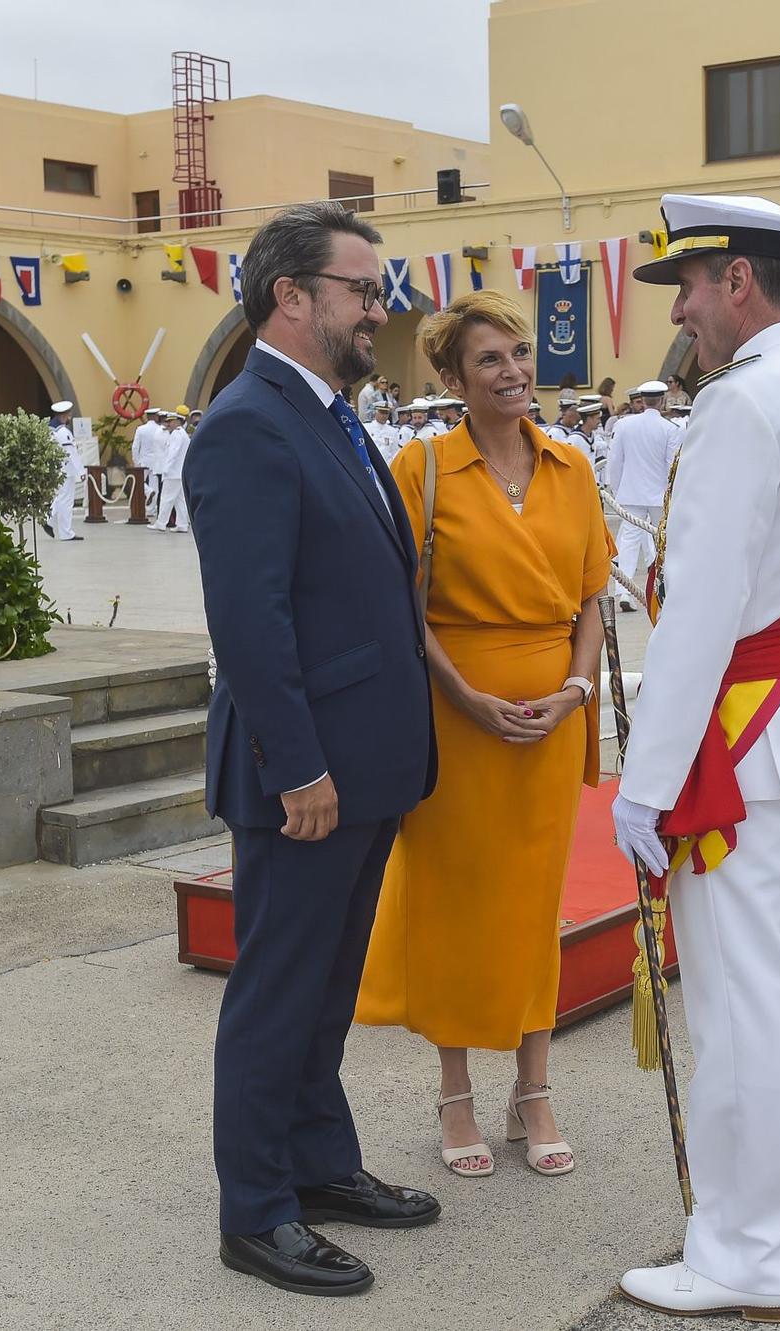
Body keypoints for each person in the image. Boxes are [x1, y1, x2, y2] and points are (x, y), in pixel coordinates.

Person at [613, 192, 780, 1322]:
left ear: (736, 280)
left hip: (732, 734)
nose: (678, 311)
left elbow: (702, 608)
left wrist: (645, 780)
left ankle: (743, 1251)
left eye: (686, 285)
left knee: (740, 1001)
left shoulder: (741, 406)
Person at [184, 201, 440, 1297]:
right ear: (291, 296)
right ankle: (256, 1208)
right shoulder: (247, 422)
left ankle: (319, 1160)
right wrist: (298, 766)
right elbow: (251, 622)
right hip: (306, 775)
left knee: (328, 984)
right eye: (361, 289)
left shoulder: (329, 414)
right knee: (278, 991)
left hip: (364, 762)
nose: (376, 308)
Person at [355, 289, 611, 1181]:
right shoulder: (422, 469)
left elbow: (590, 598)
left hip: (550, 722)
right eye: (490, 360)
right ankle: (455, 1089)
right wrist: (463, 695)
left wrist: (577, 690)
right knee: (456, 901)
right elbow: (402, 604)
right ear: (452, 378)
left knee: (535, 903)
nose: (513, 371)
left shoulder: (571, 466)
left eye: (519, 352)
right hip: (454, 721)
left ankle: (533, 1088)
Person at [603, 380, 679, 608]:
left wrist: (617, 489)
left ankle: (624, 592)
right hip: (659, 495)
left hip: (631, 492)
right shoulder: (669, 428)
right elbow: (670, 467)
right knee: (664, 543)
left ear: (642, 401)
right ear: (662, 400)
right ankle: (664, 589)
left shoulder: (624, 426)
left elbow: (614, 462)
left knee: (628, 541)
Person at [46, 401, 84, 541]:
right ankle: (66, 532)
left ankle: (47, 518)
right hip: (66, 470)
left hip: (57, 469)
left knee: (61, 497)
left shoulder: (51, 429)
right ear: (65, 415)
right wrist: (82, 472)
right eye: (69, 414)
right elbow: (71, 453)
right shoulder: (63, 432)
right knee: (66, 501)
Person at [150, 410, 191, 533]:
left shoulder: (176, 434)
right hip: (179, 473)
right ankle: (182, 524)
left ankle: (161, 523)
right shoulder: (183, 434)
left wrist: (166, 469)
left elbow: (173, 453)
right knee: (180, 500)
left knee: (166, 498)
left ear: (177, 422)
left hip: (172, 473)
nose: (167, 424)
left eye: (170, 422)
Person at [130, 406, 165, 521]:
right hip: (156, 461)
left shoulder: (141, 429)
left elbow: (135, 447)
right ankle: (151, 509)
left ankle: (148, 493)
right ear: (155, 417)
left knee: (140, 482)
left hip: (143, 460)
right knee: (155, 485)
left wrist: (136, 461)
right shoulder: (160, 429)